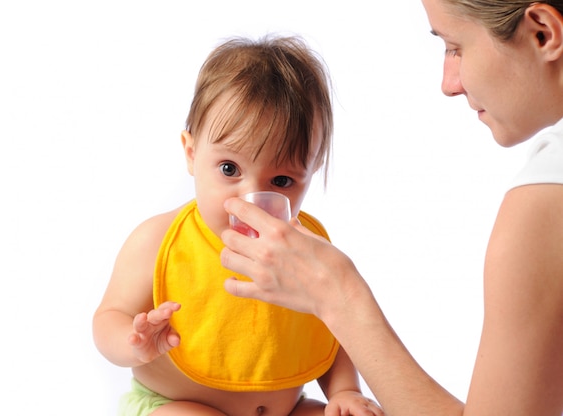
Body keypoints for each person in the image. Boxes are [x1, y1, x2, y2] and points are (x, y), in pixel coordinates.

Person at [220, 1, 563, 416]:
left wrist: (340, 296)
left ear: (543, 32)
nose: (448, 83)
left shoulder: (544, 205)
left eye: (455, 46)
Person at [93, 35, 383, 416]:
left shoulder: (304, 247)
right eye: (229, 169)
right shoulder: (158, 241)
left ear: (311, 171)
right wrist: (134, 343)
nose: (252, 198)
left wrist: (344, 391)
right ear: (192, 153)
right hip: (180, 405)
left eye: (281, 181)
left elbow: (334, 329)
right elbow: (107, 318)